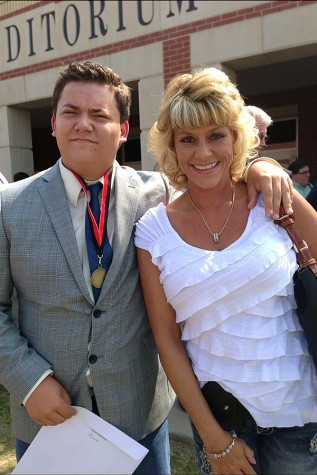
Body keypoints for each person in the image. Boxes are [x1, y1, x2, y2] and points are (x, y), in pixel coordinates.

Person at [0, 61, 292, 473]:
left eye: (99, 115)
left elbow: (215, 173)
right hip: (48, 417)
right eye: (71, 112)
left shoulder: (158, 195)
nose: (84, 124)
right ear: (53, 123)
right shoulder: (9, 206)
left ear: (123, 131)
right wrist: (28, 381)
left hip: (138, 418)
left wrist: (264, 167)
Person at [135, 67, 317, 475]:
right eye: (188, 140)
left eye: (216, 135)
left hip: (301, 414)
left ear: (235, 137)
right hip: (222, 418)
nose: (203, 153)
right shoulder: (153, 230)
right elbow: (166, 338)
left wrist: (264, 166)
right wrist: (212, 436)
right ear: (172, 146)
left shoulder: (275, 199)